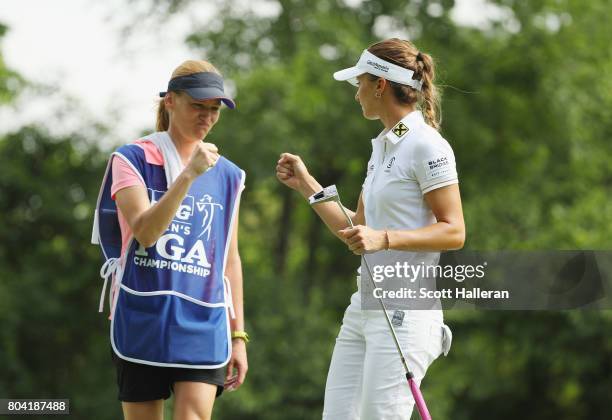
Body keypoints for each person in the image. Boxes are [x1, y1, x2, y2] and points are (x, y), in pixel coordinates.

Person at [276, 38, 465, 419]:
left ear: (380, 84)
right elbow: (358, 228)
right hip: (363, 308)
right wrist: (307, 185)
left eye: (359, 82)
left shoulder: (428, 146)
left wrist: (385, 238)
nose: (356, 93)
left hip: (407, 315)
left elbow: (454, 231)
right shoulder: (383, 147)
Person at [92, 60, 249, 420]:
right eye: (198, 106)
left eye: (214, 110)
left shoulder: (229, 175)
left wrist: (238, 336)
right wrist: (189, 174)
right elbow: (147, 232)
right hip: (144, 315)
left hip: (203, 321)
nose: (207, 117)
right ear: (170, 102)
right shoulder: (130, 158)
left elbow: (229, 260)